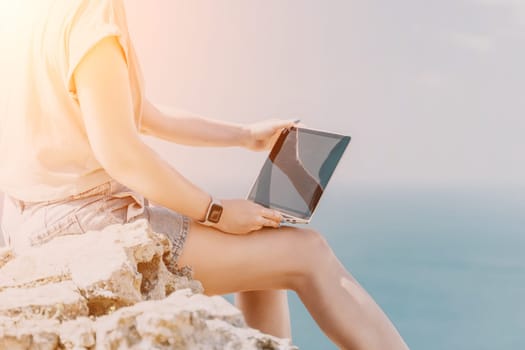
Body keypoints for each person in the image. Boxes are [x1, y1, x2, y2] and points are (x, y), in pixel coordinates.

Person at [0, 1, 408, 349]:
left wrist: (245, 136)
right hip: (88, 220)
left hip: (28, 218)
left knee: (263, 260)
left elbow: (142, 115)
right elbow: (121, 153)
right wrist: (214, 212)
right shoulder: (88, 12)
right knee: (309, 252)